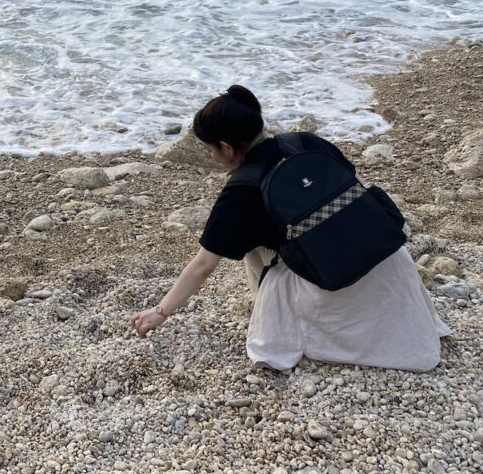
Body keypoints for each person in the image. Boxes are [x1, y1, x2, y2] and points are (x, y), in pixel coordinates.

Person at [131, 86, 449, 372]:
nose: (210, 156)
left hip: (339, 284)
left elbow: (203, 265)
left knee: (253, 245)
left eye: (208, 149)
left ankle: (287, 322)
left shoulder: (241, 190)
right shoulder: (306, 143)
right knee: (274, 230)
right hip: (390, 265)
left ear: (227, 148)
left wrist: (160, 311)